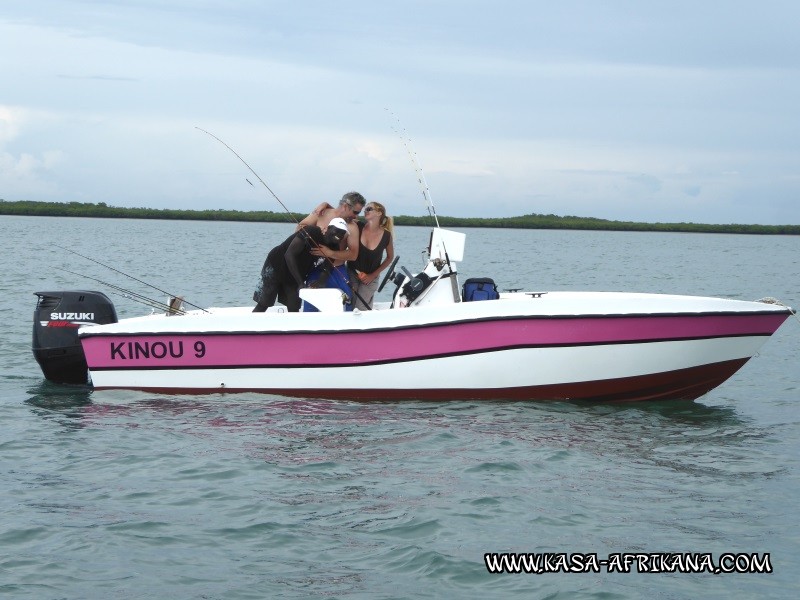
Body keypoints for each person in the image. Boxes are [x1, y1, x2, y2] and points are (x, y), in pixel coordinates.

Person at [253, 218, 349, 313]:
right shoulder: (311, 231)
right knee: (264, 302)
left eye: (343, 233)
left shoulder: (335, 248)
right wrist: (300, 282)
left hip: (295, 272)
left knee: (294, 306)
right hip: (276, 264)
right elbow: (289, 255)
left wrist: (320, 281)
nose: (339, 235)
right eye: (337, 230)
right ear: (329, 228)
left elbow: (327, 268)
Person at [348, 201, 394, 310]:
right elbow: (341, 214)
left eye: (369, 209)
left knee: (360, 308)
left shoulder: (387, 235)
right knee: (350, 305)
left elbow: (389, 258)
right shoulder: (357, 226)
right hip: (352, 273)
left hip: (371, 277)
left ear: (379, 213)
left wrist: (372, 275)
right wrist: (325, 204)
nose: (365, 211)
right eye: (365, 209)